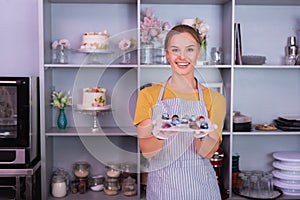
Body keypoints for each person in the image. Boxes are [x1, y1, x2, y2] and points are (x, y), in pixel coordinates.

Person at [134, 24, 226, 200]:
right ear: (167, 54)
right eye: (175, 50)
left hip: (202, 191)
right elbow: (147, 152)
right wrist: (161, 135)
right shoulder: (148, 95)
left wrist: (201, 136)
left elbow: (207, 153)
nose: (182, 57)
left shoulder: (216, 99)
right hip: (163, 190)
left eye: (190, 49)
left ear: (199, 53)